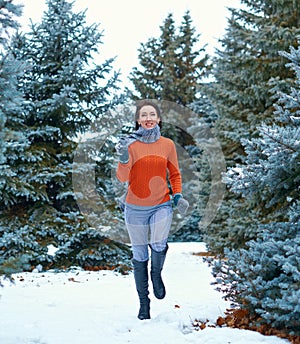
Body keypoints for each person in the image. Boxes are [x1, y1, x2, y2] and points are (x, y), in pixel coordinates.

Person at [115, 100, 189, 320]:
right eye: (143, 115)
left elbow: (174, 174)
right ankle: (144, 304)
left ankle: (156, 274)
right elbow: (122, 178)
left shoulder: (167, 145)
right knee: (139, 254)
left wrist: (177, 195)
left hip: (161, 204)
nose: (148, 118)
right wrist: (123, 157)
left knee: (158, 243)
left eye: (152, 115)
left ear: (158, 119)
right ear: (138, 120)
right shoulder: (129, 145)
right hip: (134, 207)